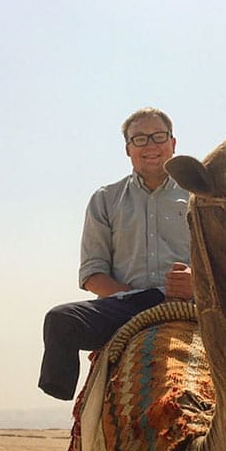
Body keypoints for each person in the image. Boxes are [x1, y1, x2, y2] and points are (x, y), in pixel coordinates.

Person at [38, 107, 192, 401]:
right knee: (60, 320)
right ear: (127, 149)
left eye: (158, 137)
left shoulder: (200, 197)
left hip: (192, 303)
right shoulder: (105, 200)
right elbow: (93, 273)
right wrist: (133, 300)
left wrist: (197, 281)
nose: (150, 146)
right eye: (140, 139)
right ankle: (80, 414)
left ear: (173, 143)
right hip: (127, 305)